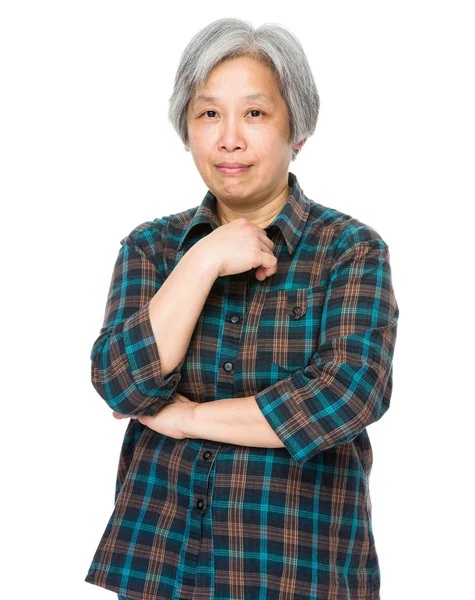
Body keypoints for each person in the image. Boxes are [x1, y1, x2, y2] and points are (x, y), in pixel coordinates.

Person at [84, 17, 399, 600]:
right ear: (186, 128)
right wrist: (201, 262)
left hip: (299, 571)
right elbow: (121, 384)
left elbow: (347, 394)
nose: (229, 138)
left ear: (297, 130)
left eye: (255, 113)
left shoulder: (349, 250)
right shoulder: (152, 249)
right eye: (209, 114)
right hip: (163, 570)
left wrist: (186, 419)